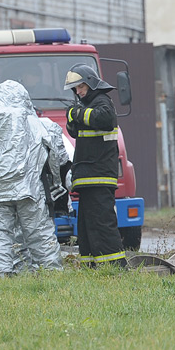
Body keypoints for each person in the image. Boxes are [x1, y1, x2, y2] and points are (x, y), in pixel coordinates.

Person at [0, 80, 63, 275]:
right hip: (29, 191)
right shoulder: (37, 123)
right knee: (40, 237)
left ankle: (1, 281)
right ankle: (53, 277)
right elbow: (54, 157)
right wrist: (56, 182)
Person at [63, 63, 127, 267]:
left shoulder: (102, 101)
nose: (78, 92)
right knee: (86, 224)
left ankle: (115, 267)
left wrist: (77, 114)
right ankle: (92, 265)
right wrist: (73, 116)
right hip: (88, 175)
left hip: (98, 174)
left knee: (102, 222)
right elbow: (74, 131)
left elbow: (105, 119)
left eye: (80, 87)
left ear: (90, 82)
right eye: (75, 89)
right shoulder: (87, 105)